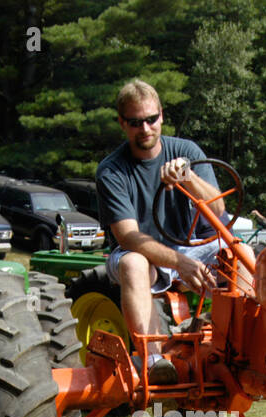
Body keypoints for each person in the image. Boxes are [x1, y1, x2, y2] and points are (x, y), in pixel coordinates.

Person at [96, 78, 227, 385]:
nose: (145, 129)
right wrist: (180, 263)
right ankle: (153, 360)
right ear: (122, 123)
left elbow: (219, 211)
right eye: (135, 122)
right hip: (142, 253)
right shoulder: (112, 170)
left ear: (162, 116)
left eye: (151, 119)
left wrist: (188, 178)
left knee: (240, 252)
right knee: (133, 263)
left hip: (188, 245)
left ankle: (235, 343)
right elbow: (128, 237)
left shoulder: (185, 150)